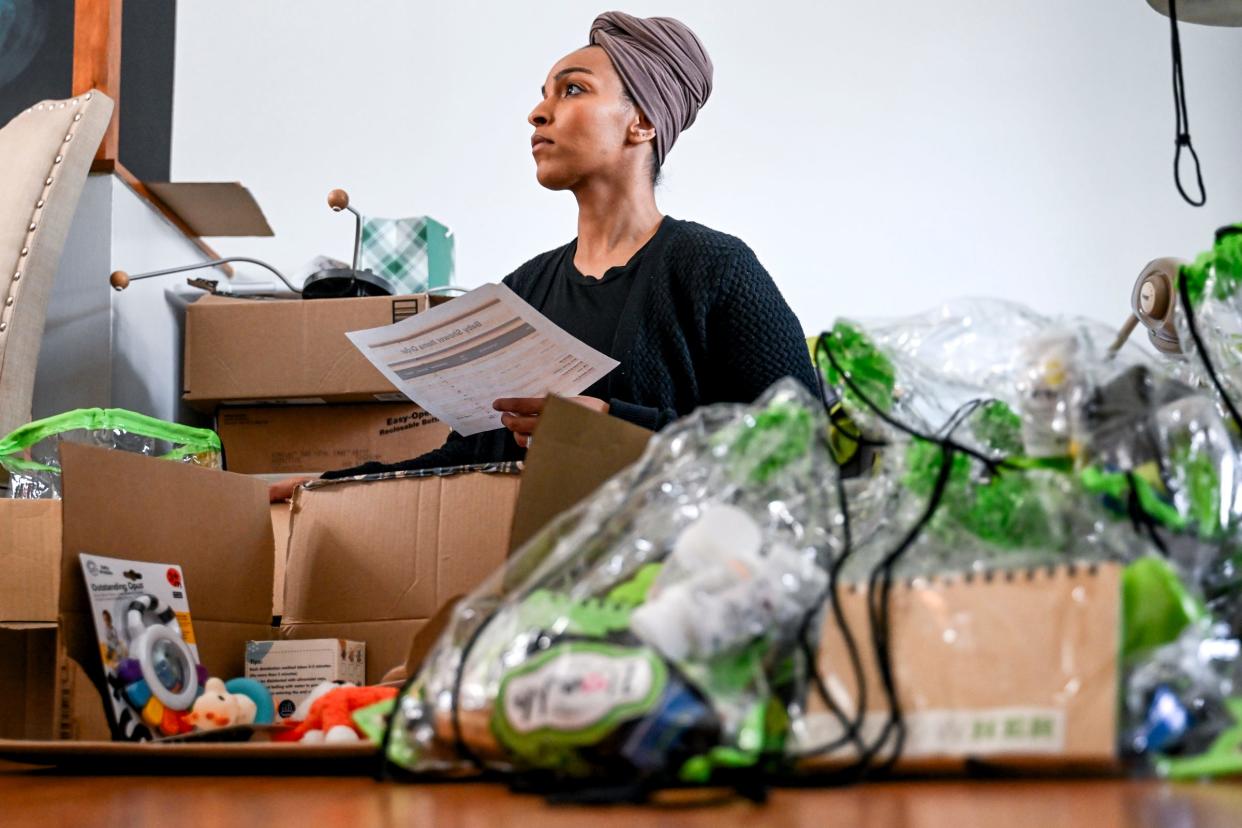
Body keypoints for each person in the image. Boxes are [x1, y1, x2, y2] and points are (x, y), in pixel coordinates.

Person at [270, 11, 815, 502]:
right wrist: (333, 488)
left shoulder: (713, 266)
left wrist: (614, 428)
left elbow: (803, 446)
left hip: (684, 595)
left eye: (572, 90)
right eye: (543, 95)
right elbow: (466, 459)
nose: (537, 113)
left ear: (642, 122)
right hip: (538, 589)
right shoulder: (522, 292)